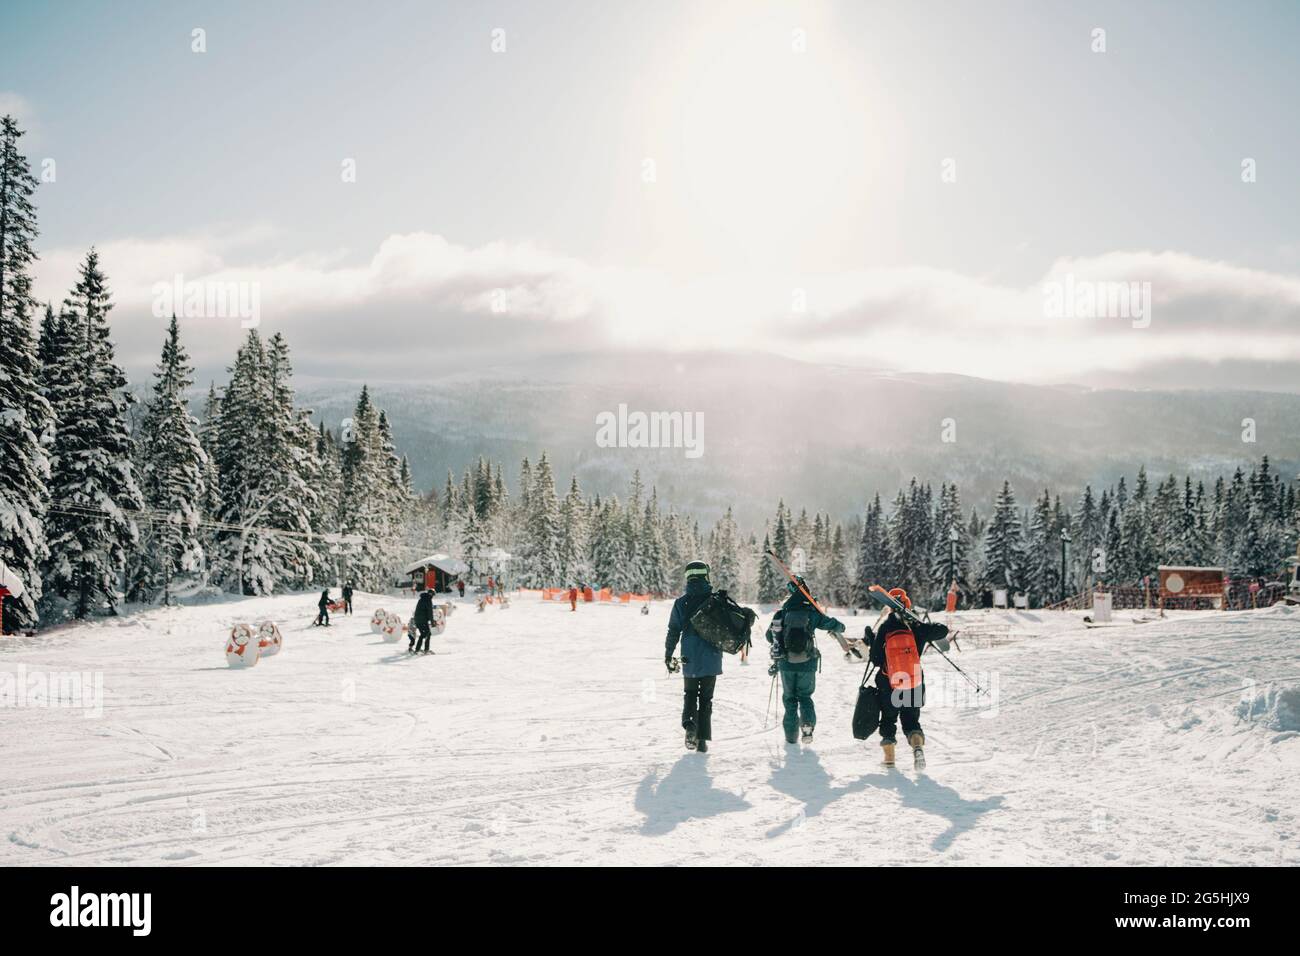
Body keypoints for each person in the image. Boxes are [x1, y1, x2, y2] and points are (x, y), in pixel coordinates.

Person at [864, 587, 949, 769]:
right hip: (914, 681)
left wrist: (871, 639)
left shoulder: (886, 628)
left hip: (889, 683)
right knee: (911, 720)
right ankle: (917, 747)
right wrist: (921, 625)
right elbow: (943, 631)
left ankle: (889, 759)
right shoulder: (916, 627)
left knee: (888, 720)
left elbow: (876, 660)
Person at [766, 575, 845, 745]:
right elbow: (831, 624)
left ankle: (790, 737)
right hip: (807, 663)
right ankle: (807, 725)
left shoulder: (783, 612)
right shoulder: (811, 612)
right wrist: (841, 627)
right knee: (805, 697)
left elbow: (769, 636)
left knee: (789, 699)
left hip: (786, 664)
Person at [664, 560, 722, 753]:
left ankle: (690, 727)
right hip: (712, 656)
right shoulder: (716, 600)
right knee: (706, 699)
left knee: (690, 694)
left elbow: (673, 630)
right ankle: (702, 742)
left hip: (689, 656)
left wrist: (668, 654)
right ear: (706, 575)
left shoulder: (681, 603)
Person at [411, 586, 436, 654]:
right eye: (433, 595)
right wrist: (432, 622)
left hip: (418, 620)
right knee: (426, 634)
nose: (433, 596)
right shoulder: (428, 600)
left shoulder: (422, 599)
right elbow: (430, 612)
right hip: (422, 621)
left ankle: (419, 649)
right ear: (431, 594)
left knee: (425, 634)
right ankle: (423, 650)